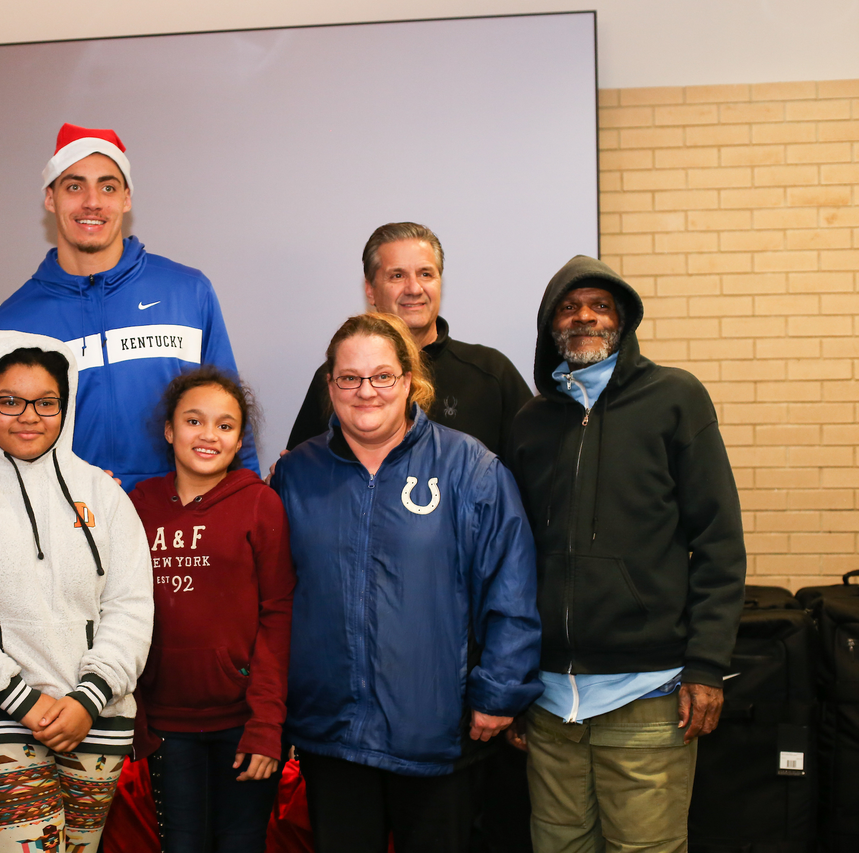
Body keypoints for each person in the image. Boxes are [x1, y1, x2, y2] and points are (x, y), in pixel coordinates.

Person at [270, 312, 541, 853]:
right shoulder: (295, 475)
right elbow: (272, 598)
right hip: (330, 734)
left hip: (437, 733)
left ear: (410, 380)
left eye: (382, 376)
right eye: (349, 378)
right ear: (330, 387)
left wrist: (500, 691)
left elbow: (511, 588)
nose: (365, 391)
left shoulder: (471, 468)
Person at [505, 256, 746, 853]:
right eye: (569, 305)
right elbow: (508, 561)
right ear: (549, 325)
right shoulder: (531, 422)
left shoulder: (675, 398)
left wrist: (707, 665)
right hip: (549, 704)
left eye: (601, 305)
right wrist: (506, 683)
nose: (584, 315)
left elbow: (718, 540)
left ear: (624, 321)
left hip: (651, 697)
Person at [0, 330, 154, 851]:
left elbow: (130, 604)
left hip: (96, 715)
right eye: (10, 401)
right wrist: (18, 699)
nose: (29, 417)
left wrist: (90, 696)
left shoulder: (101, 492)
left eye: (46, 403)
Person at [0, 123, 257, 490]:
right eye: (74, 186)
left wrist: (248, 499)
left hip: (181, 522)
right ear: (50, 199)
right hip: (67, 528)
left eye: (107, 187)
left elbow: (231, 413)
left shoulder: (188, 292)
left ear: (126, 199)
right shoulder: (8, 324)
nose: (92, 202)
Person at [129, 366, 295, 853]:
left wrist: (267, 726)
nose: (208, 435)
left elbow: (278, 616)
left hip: (243, 725)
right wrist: (137, 717)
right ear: (169, 430)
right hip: (167, 728)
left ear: (240, 438)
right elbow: (120, 615)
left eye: (225, 426)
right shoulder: (137, 506)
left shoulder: (260, 506)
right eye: (194, 421)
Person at [285, 222, 531, 457]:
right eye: (397, 276)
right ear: (370, 290)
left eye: (426, 274)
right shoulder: (342, 379)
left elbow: (531, 477)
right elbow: (305, 474)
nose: (414, 288)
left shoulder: (491, 373)